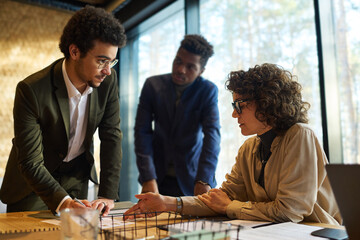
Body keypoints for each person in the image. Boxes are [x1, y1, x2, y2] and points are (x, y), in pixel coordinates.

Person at [125, 63, 342, 225]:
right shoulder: (248, 149)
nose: (233, 113)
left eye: (240, 105)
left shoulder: (300, 135)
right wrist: (167, 203)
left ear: (267, 103)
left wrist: (230, 207)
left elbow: (290, 211)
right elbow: (218, 199)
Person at [0, 6, 126, 216]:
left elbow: (112, 135)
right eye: (101, 60)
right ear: (75, 51)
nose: (107, 70)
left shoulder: (108, 81)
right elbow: (31, 161)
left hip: (77, 177)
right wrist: (64, 202)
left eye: (111, 61)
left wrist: (107, 195)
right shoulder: (31, 90)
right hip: (33, 185)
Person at [134, 34, 221, 197]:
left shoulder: (207, 91)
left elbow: (212, 136)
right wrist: (148, 178)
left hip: (193, 179)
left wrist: (204, 180)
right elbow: (142, 133)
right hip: (156, 178)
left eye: (190, 67)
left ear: (201, 71)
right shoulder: (152, 86)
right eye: (178, 61)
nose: (181, 69)